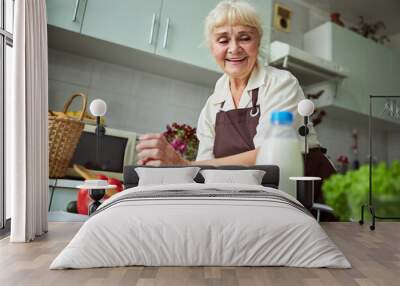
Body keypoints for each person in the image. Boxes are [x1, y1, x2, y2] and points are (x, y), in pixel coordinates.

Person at [136, 0, 334, 204]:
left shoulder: (280, 83)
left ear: (258, 41)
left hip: (314, 202)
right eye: (222, 40)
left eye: (245, 38)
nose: (234, 49)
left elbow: (268, 157)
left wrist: (184, 165)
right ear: (212, 48)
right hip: (259, 204)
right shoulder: (213, 106)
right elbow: (206, 170)